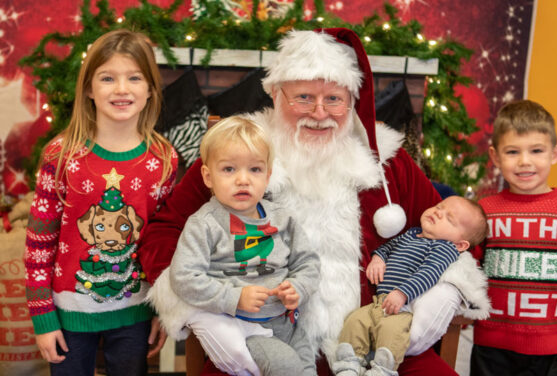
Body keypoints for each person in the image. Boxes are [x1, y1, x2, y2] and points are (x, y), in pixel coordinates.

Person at [139, 28, 488, 375]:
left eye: (334, 99)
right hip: (260, 336)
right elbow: (164, 232)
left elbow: (462, 237)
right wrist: (207, 313)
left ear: (351, 100)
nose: (320, 113)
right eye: (303, 97)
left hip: (373, 344)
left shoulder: (388, 162)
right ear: (276, 94)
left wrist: (442, 295)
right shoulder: (238, 157)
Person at [24, 29, 177, 375]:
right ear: (90, 89)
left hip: (136, 311)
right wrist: (42, 315)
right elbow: (39, 242)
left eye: (134, 78)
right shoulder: (62, 155)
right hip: (69, 315)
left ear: (151, 88)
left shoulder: (163, 159)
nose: (122, 89)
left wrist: (165, 311)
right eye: (108, 78)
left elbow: (165, 243)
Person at [147, 116, 320, 376]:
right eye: (229, 169)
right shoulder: (204, 224)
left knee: (307, 369)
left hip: (288, 322)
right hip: (245, 327)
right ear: (208, 176)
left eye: (254, 170)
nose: (243, 180)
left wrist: (298, 288)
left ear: (268, 175)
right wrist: (234, 297)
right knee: (287, 367)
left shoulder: (283, 217)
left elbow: (308, 262)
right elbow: (183, 277)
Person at [470, 100, 557, 376]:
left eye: (536, 151)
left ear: (555, 153)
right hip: (491, 352)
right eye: (513, 151)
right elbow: (468, 274)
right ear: (495, 156)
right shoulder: (483, 212)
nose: (524, 161)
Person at [334, 196, 488, 376]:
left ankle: (382, 370)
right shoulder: (411, 234)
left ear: (460, 244)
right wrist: (378, 258)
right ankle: (348, 365)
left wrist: (402, 293)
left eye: (449, 218)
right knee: (355, 320)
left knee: (393, 333)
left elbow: (429, 273)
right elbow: (388, 247)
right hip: (379, 302)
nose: (438, 213)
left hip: (401, 308)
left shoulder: (445, 248)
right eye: (439, 206)